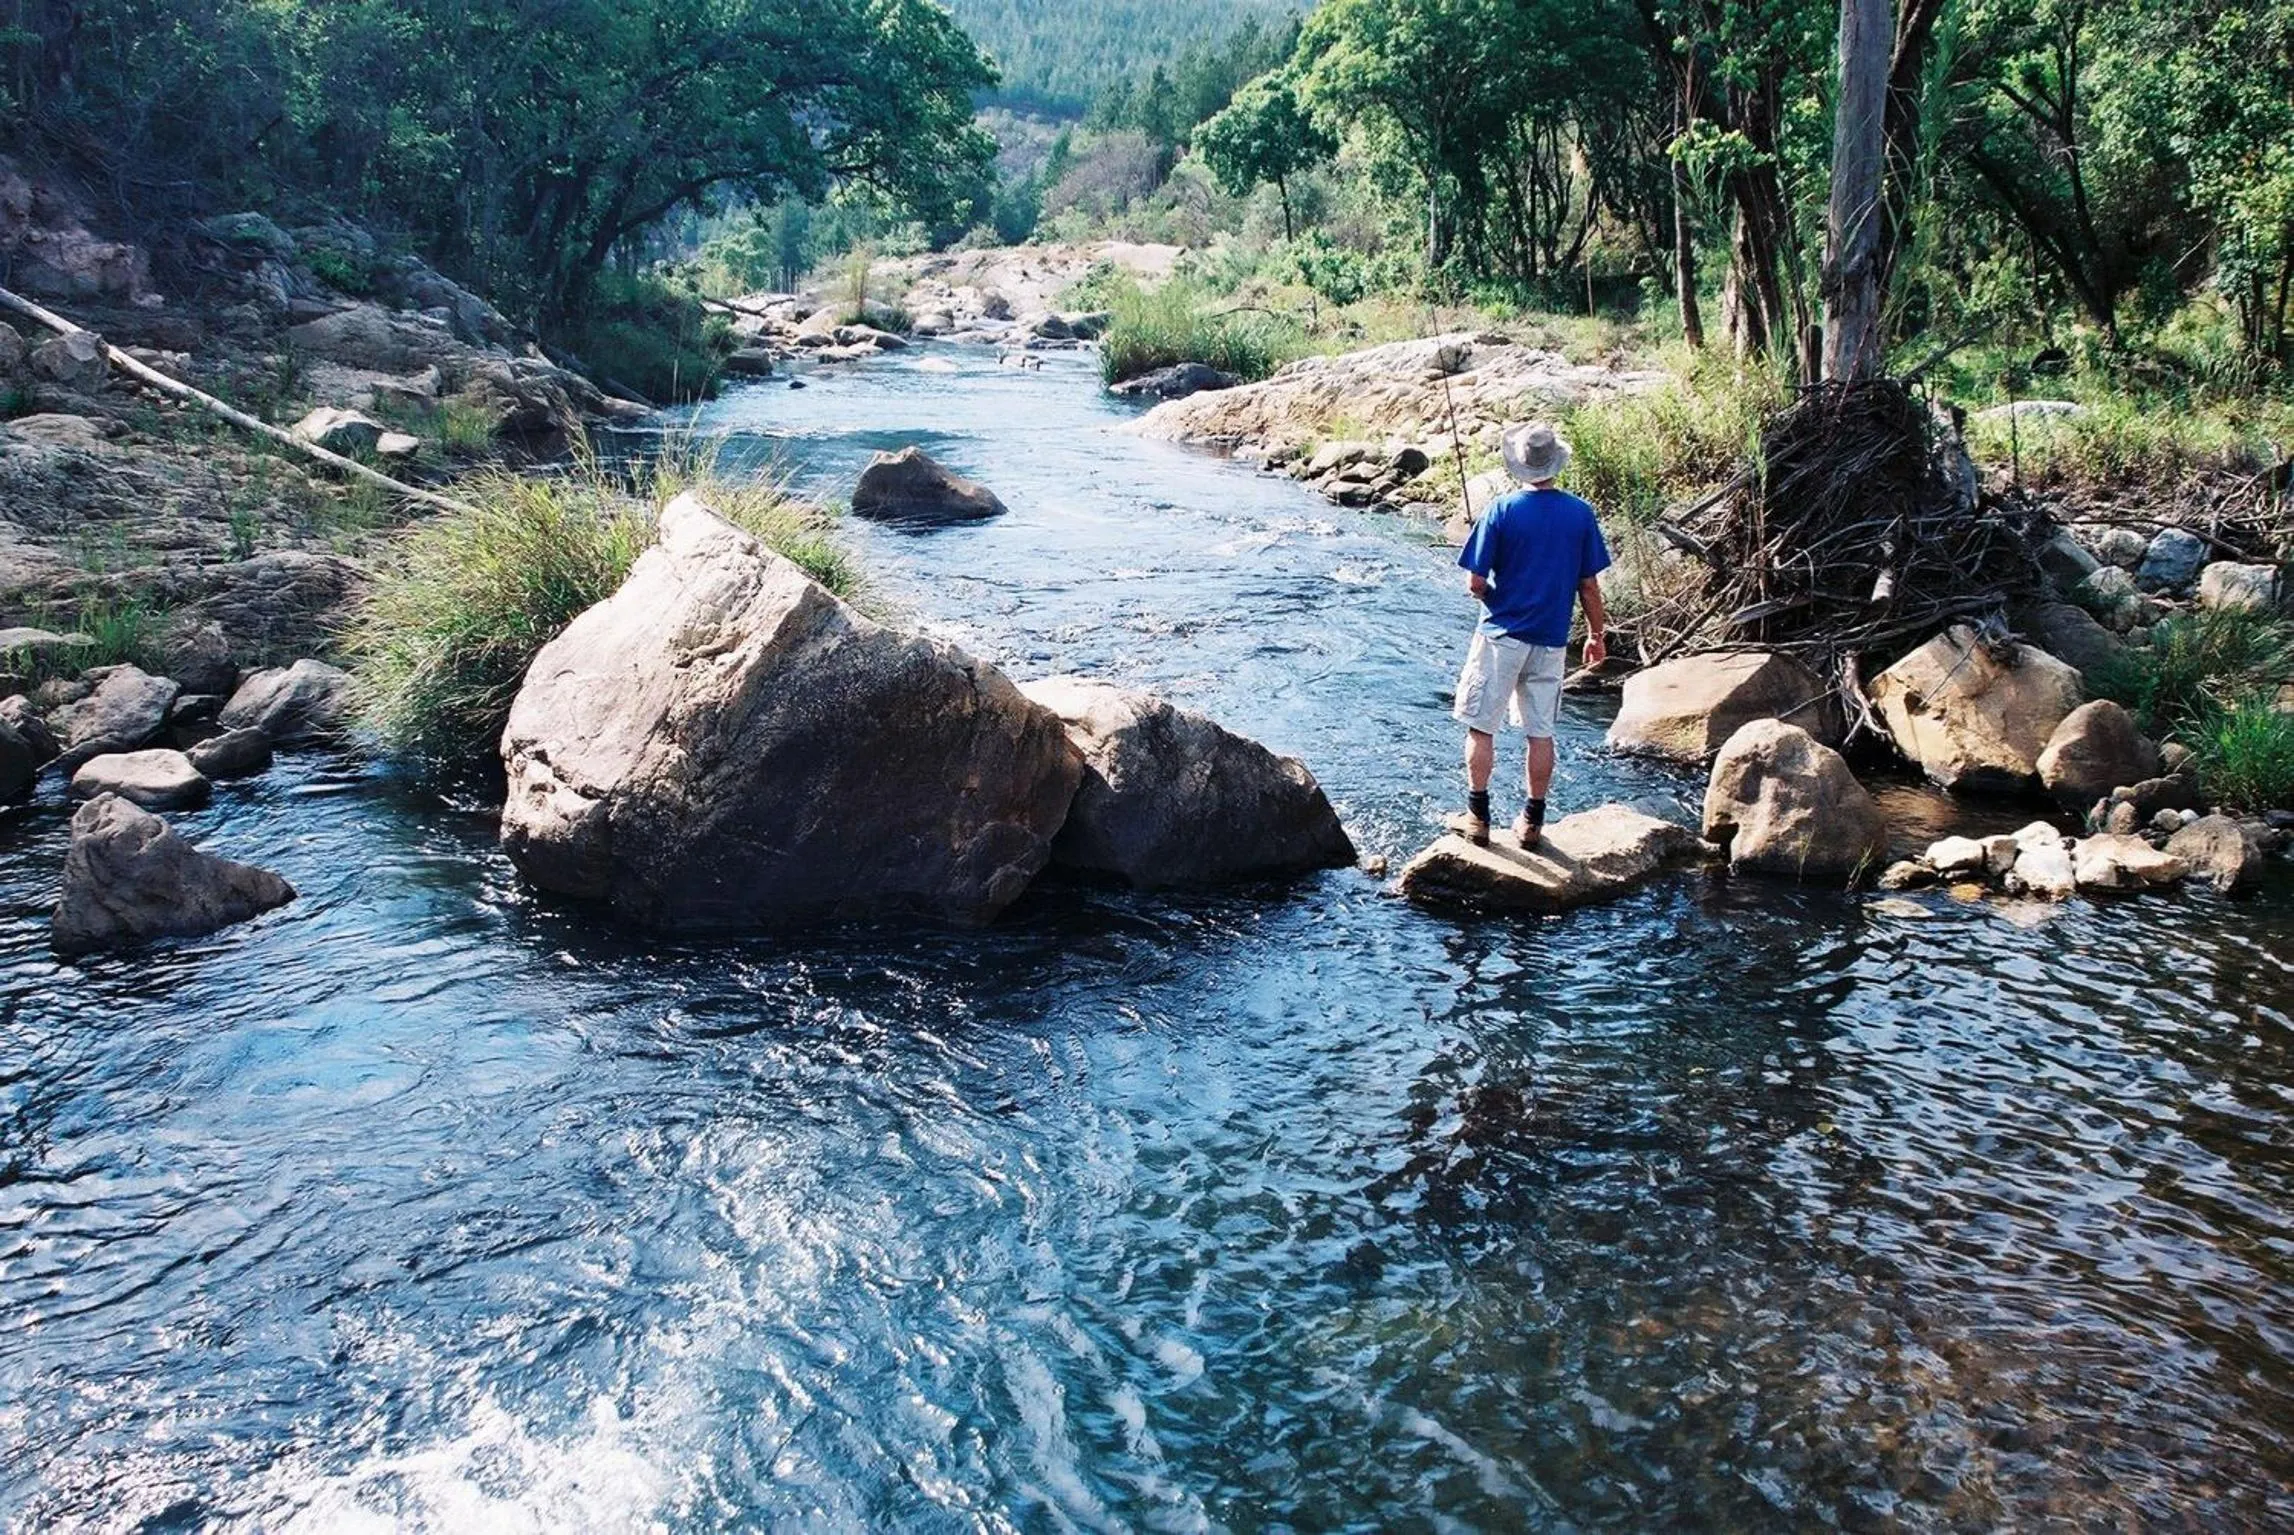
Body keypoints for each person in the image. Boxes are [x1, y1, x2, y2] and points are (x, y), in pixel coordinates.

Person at [1451, 422, 1611, 849]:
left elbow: (1475, 584)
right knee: (1540, 733)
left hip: (1501, 637)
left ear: (1518, 465)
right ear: (1556, 462)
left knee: (1480, 727)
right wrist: (1597, 635)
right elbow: (1589, 585)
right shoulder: (1580, 513)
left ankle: (1478, 817)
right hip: (1552, 640)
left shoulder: (1501, 510)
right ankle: (1532, 822)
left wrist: (1497, 600)